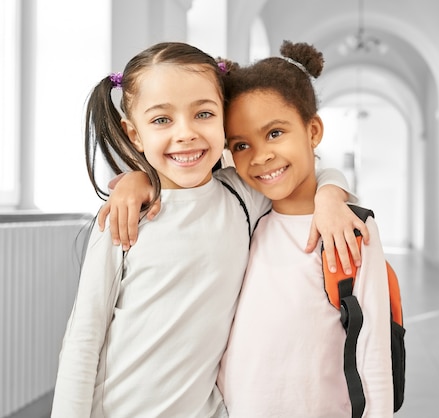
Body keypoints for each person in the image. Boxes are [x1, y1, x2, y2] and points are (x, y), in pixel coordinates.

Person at [51, 41, 363, 418]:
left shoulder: (242, 195)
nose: (186, 134)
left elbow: (304, 171)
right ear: (135, 135)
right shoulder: (123, 217)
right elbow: (84, 338)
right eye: (162, 120)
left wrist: (330, 195)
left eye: (203, 114)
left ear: (223, 118)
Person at [215, 41, 394, 417]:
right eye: (241, 144)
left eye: (275, 133)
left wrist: (330, 197)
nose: (260, 156)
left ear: (313, 131)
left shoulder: (351, 227)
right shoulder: (244, 213)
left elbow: (374, 352)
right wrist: (141, 181)